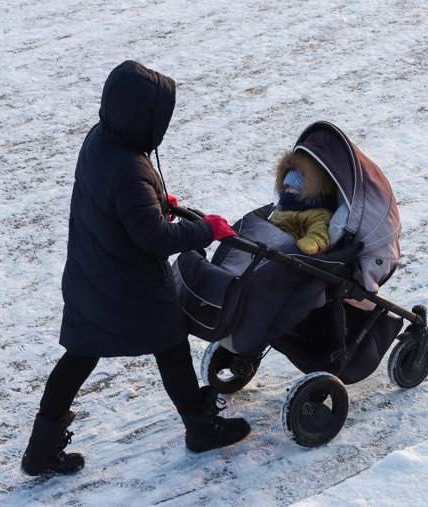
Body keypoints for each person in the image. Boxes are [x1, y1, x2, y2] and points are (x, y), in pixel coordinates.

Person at [21, 61, 251, 477]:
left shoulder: (102, 140)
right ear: (141, 117)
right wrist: (205, 230)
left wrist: (155, 202)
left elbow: (119, 206)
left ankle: (40, 449)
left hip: (91, 273)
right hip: (128, 283)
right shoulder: (129, 168)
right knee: (170, 341)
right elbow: (157, 240)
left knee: (80, 355)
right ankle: (201, 428)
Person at [269, 150, 338, 255]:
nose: (287, 190)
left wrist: (312, 242)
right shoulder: (284, 207)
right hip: (268, 242)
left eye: (292, 187)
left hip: (285, 252)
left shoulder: (317, 213)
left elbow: (320, 231)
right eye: (286, 186)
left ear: (305, 190)